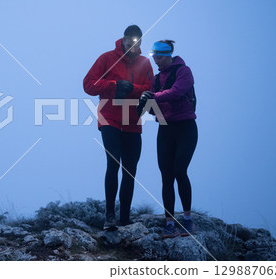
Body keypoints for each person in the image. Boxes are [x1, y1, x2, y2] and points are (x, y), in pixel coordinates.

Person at [83, 25, 153, 230]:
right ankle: (109, 217)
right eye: (129, 41)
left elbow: (151, 90)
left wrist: (132, 88)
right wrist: (114, 85)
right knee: (113, 165)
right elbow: (88, 84)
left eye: (137, 42)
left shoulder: (145, 63)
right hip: (109, 120)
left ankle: (125, 218)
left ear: (141, 42)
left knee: (130, 170)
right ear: (123, 39)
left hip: (132, 122)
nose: (132, 45)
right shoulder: (106, 58)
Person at [138, 40, 198, 238]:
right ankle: (169, 223)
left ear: (169, 55)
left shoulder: (184, 71)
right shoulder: (156, 79)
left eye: (160, 57)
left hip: (186, 127)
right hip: (165, 129)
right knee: (166, 177)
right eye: (154, 57)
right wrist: (144, 102)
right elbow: (153, 106)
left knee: (180, 170)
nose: (156, 61)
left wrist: (154, 97)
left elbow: (177, 92)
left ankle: (188, 221)